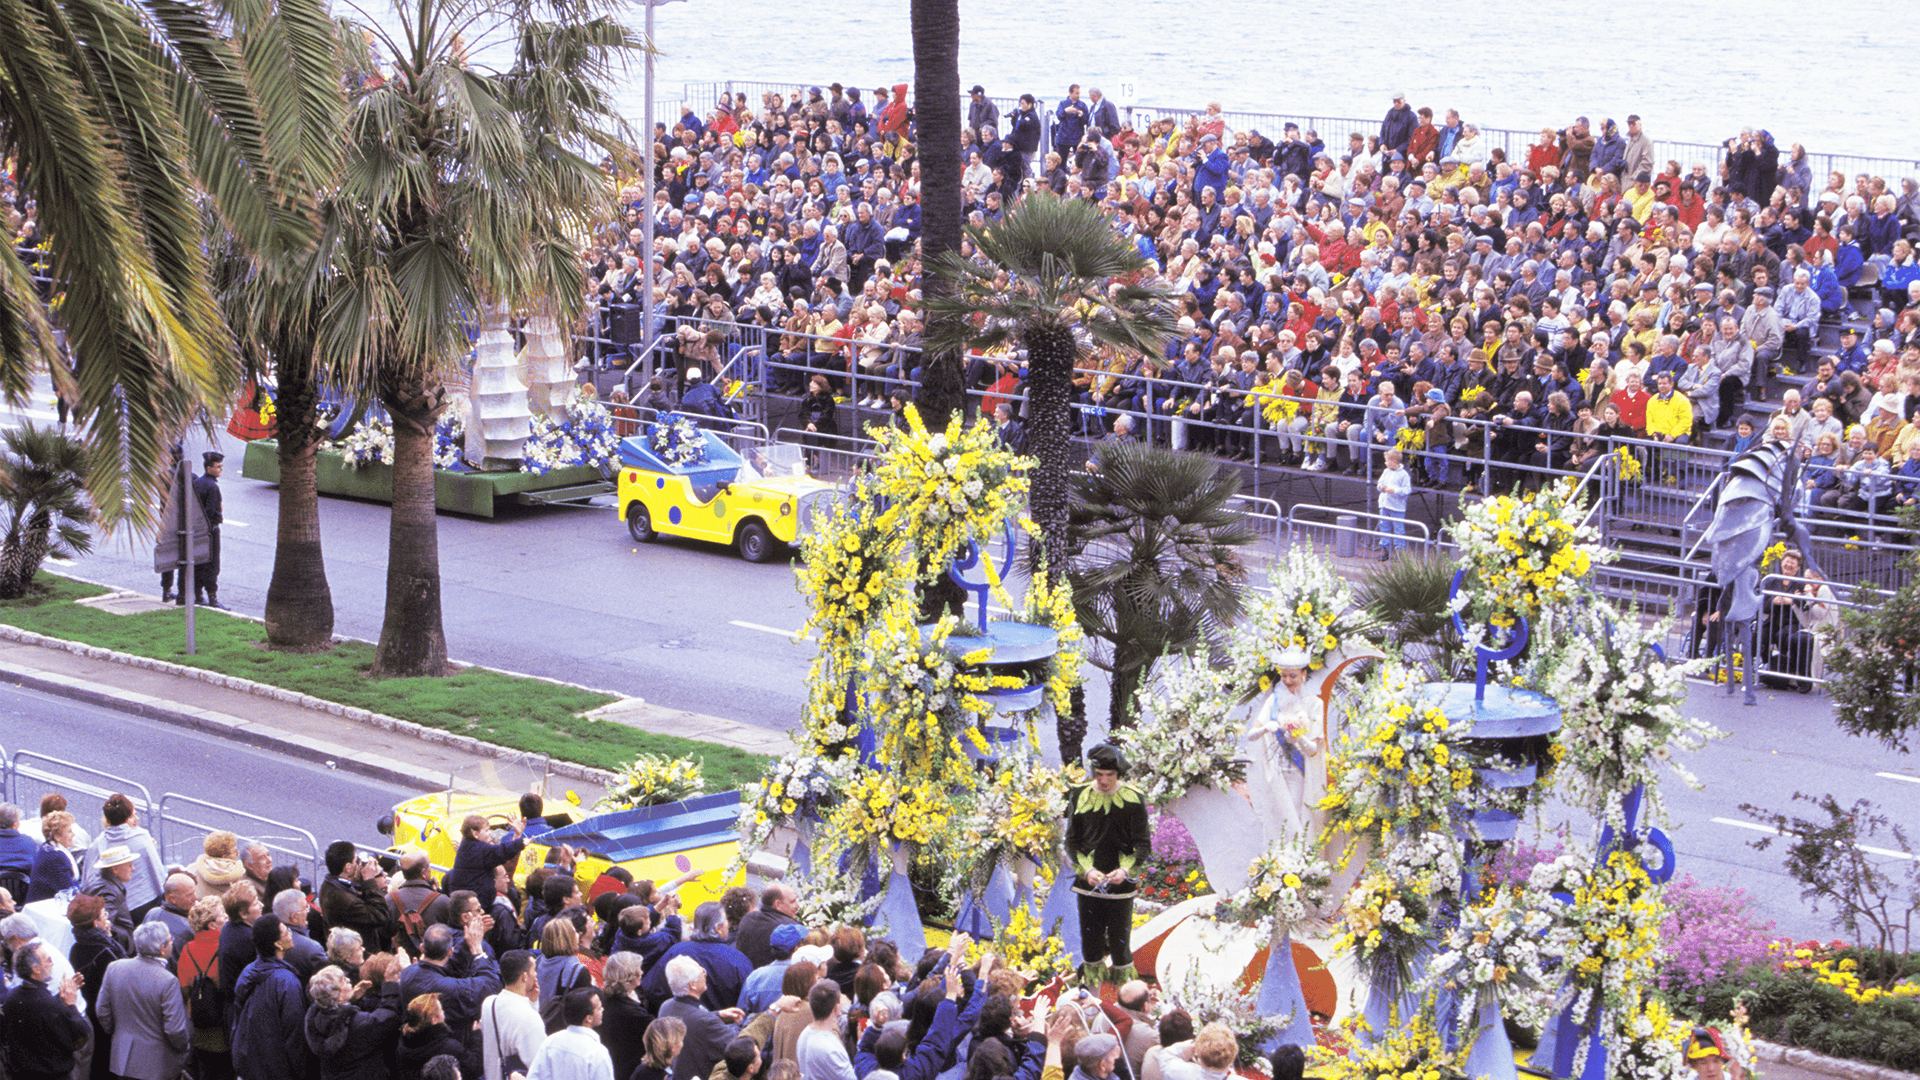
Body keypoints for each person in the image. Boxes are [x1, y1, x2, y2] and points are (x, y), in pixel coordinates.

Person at [1064, 743, 1151, 986]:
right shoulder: (1079, 795)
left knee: (1120, 945)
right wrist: (1087, 870)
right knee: (1090, 945)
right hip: (1088, 884)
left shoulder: (1133, 799)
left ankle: (1126, 1000)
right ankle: (1091, 999)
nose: (1103, 781)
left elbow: (1144, 844)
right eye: (1099, 775)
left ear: (1118, 775)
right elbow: (1071, 841)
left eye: (1109, 776)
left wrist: (1125, 870)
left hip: (1121, 887)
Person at [96, 921, 192, 1080]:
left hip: (123, 1059)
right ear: (162, 949)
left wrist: (118, 1033)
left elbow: (102, 1011)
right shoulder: (168, 981)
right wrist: (184, 1048)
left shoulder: (114, 968)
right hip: (156, 1065)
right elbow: (175, 1029)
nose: (172, 943)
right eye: (170, 940)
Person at [233, 915, 313, 1080]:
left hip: (249, 1061)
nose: (290, 933)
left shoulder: (248, 971)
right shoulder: (287, 981)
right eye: (285, 931)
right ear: (278, 944)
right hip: (277, 1068)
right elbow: (294, 1033)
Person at [0, 940, 92, 1080]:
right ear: (36, 968)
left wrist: (59, 1000)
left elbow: (36, 1009)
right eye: (48, 960)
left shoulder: (12, 996)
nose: (52, 964)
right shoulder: (48, 1004)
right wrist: (71, 1005)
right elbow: (82, 1036)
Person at [305, 960, 405, 1080]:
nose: (348, 980)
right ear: (338, 995)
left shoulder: (316, 1018)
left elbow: (339, 1016)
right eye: (343, 981)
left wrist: (349, 1001)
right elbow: (389, 1017)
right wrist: (390, 983)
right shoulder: (358, 1023)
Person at [658, 955, 744, 1080]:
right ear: (693, 985)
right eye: (701, 971)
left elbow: (688, 1020)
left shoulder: (666, 1007)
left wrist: (717, 1015)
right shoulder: (704, 1021)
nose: (705, 973)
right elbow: (739, 1047)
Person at [84, 793, 166, 922]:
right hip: (146, 901)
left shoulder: (97, 844)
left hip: (116, 907)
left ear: (108, 819)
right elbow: (157, 870)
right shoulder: (142, 837)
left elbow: (88, 878)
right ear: (128, 817)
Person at [319, 841, 396, 955]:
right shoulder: (344, 900)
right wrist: (370, 882)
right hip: (357, 956)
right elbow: (380, 916)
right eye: (357, 861)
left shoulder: (330, 884)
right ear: (347, 867)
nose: (360, 865)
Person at [481, 950, 546, 1080]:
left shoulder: (489, 1003)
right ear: (524, 977)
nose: (536, 974)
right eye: (533, 970)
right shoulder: (529, 1018)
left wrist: (532, 1003)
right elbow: (541, 1068)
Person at [442, 814, 526, 912]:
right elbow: (505, 865)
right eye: (486, 831)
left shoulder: (470, 854)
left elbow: (504, 863)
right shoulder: (484, 852)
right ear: (475, 834)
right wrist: (519, 841)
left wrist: (517, 836)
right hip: (480, 906)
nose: (490, 834)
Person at [83, 845, 139, 948]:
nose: (133, 869)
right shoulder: (109, 890)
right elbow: (103, 925)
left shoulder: (100, 882)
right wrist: (126, 940)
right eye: (129, 865)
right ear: (115, 869)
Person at [733, 884, 799, 970]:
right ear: (778, 904)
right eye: (793, 902)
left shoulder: (747, 919)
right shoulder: (790, 928)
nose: (798, 906)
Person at [192, 450, 227, 608]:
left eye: (221, 466)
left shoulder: (197, 483)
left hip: (197, 530)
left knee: (198, 563)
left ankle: (198, 595)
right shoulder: (212, 486)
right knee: (212, 564)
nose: (220, 469)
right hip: (210, 530)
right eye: (218, 466)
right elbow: (211, 511)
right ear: (208, 468)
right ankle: (212, 598)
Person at [24, 810, 79, 903]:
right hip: (43, 911)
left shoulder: (47, 848)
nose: (73, 834)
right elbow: (70, 893)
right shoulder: (56, 858)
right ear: (57, 837)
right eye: (69, 831)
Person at [1376, 448, 1411, 558]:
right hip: (1384, 504)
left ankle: (1400, 552)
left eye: (1387, 461)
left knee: (1398, 529)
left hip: (1397, 507)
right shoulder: (1386, 472)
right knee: (1384, 527)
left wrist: (1395, 491)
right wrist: (1380, 487)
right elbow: (1380, 483)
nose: (1385, 463)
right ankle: (1385, 549)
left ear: (1394, 461)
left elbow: (1407, 490)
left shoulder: (1404, 475)